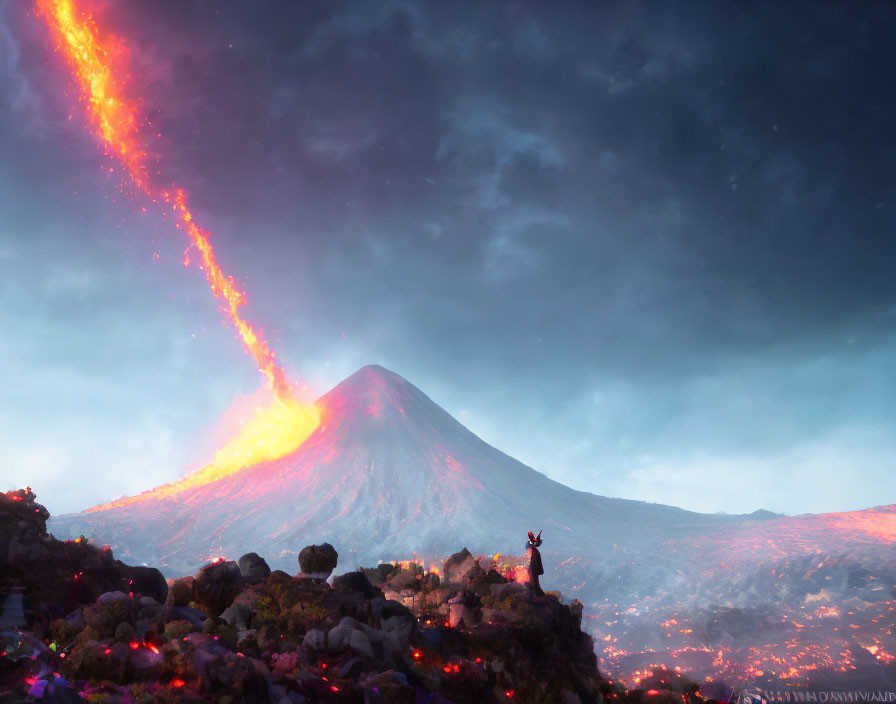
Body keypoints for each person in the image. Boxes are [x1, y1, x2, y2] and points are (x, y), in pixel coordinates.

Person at [526, 530, 545, 597]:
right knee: (533, 582)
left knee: (535, 582)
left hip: (533, 569)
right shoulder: (533, 551)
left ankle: (536, 593)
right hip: (532, 570)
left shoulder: (534, 552)